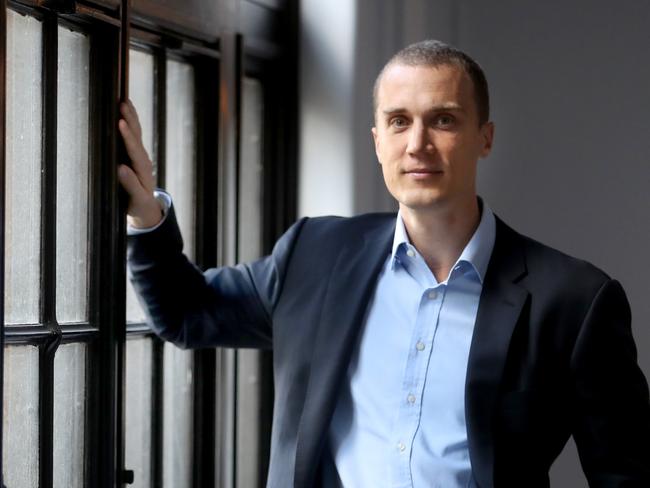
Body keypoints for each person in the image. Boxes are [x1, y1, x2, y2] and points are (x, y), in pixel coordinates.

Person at [119, 40, 650, 487]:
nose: (418, 144)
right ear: (378, 141)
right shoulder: (315, 254)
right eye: (399, 122)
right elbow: (185, 311)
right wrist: (146, 209)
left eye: (443, 120)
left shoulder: (574, 301)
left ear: (484, 138)